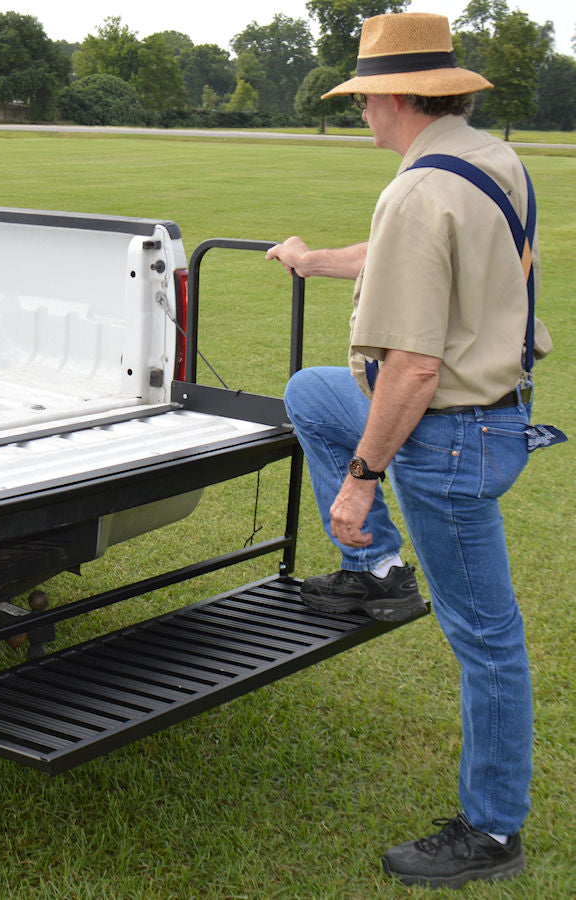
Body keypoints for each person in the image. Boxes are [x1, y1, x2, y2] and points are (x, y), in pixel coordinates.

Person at [266, 12, 556, 890]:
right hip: (492, 411)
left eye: (362, 98)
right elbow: (408, 263)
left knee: (487, 635)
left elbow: (415, 366)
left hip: (451, 435)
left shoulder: (418, 189)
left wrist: (360, 481)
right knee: (311, 393)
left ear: (393, 96)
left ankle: (493, 829)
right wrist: (313, 261)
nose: (360, 113)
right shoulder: (486, 159)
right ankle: (382, 576)